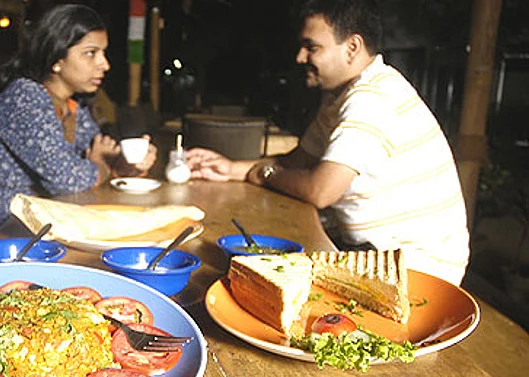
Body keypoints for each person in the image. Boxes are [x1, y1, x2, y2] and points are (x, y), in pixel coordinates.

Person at [186, 0, 469, 285]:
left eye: (312, 47)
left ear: (352, 47)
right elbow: (297, 161)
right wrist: (232, 168)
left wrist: (263, 174)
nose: (300, 57)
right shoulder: (341, 96)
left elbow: (320, 190)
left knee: (242, 279)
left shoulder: (372, 98)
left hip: (415, 271)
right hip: (374, 254)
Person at [0, 4, 157, 268]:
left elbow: (98, 157)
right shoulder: (24, 98)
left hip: (32, 224)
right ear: (57, 59)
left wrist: (127, 162)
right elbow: (68, 180)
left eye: (103, 53)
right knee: (92, 263)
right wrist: (101, 165)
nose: (105, 64)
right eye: (91, 53)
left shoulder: (73, 107)